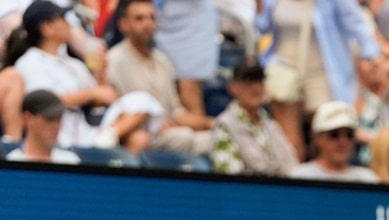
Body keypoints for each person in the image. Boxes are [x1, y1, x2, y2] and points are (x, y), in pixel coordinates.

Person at [9, 0, 161, 153]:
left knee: (142, 100)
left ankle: (108, 136)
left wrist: (100, 72)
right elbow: (42, 102)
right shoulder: (30, 61)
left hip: (89, 129)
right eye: (62, 18)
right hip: (59, 129)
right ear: (47, 28)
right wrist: (90, 94)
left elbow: (98, 104)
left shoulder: (74, 63)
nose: (68, 23)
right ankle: (104, 141)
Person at [256, 0, 382, 160]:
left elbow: (356, 24)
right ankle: (294, 180)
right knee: (290, 144)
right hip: (284, 70)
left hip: (322, 72)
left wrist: (371, 55)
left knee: (327, 137)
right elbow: (262, 26)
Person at [105, 0, 213, 155]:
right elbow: (112, 112)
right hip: (137, 133)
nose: (148, 24)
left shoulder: (163, 61)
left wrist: (212, 123)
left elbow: (177, 113)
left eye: (152, 18)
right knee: (183, 137)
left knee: (218, 139)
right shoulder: (113, 61)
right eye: (139, 19)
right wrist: (155, 123)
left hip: (170, 133)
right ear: (123, 24)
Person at [210, 57, 298, 175]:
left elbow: (293, 168)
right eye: (248, 82)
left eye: (260, 81)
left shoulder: (271, 124)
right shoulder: (224, 125)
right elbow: (229, 178)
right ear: (232, 87)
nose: (256, 88)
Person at [289, 98, 380, 181]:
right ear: (316, 137)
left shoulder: (368, 179)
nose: (343, 141)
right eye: (334, 134)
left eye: (349, 134)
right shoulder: (299, 177)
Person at [5, 87, 80, 161]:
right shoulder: (12, 162)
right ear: (27, 118)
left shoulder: (70, 160)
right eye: (49, 119)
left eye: (59, 119)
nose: (56, 126)